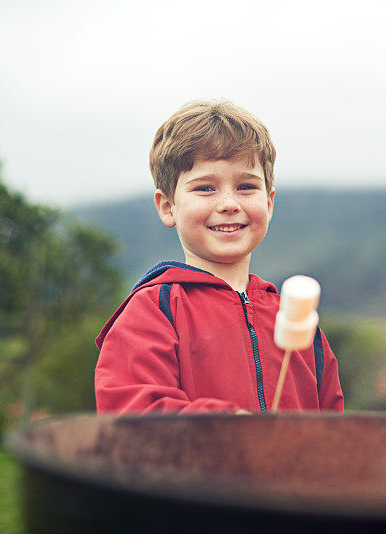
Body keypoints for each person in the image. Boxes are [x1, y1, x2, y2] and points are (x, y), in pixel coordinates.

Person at [94, 100, 344, 414]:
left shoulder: (299, 323)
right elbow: (133, 413)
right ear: (168, 207)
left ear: (269, 203)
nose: (228, 203)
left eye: (246, 186)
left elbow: (333, 429)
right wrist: (228, 427)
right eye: (205, 188)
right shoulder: (152, 311)